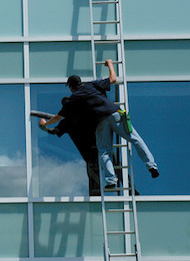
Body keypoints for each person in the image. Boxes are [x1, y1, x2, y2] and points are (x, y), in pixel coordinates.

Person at [39, 59, 159, 190]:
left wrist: (45, 123)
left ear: (70, 86)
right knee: (136, 139)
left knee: (104, 151)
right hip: (114, 114)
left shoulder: (73, 100)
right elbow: (113, 79)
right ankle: (151, 166)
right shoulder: (91, 85)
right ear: (80, 83)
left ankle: (111, 181)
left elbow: (58, 117)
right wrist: (110, 65)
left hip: (101, 122)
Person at [39, 97, 101, 196]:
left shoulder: (68, 121)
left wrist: (44, 126)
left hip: (93, 152)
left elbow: (54, 131)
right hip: (97, 150)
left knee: (96, 174)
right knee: (103, 170)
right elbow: (55, 131)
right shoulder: (80, 117)